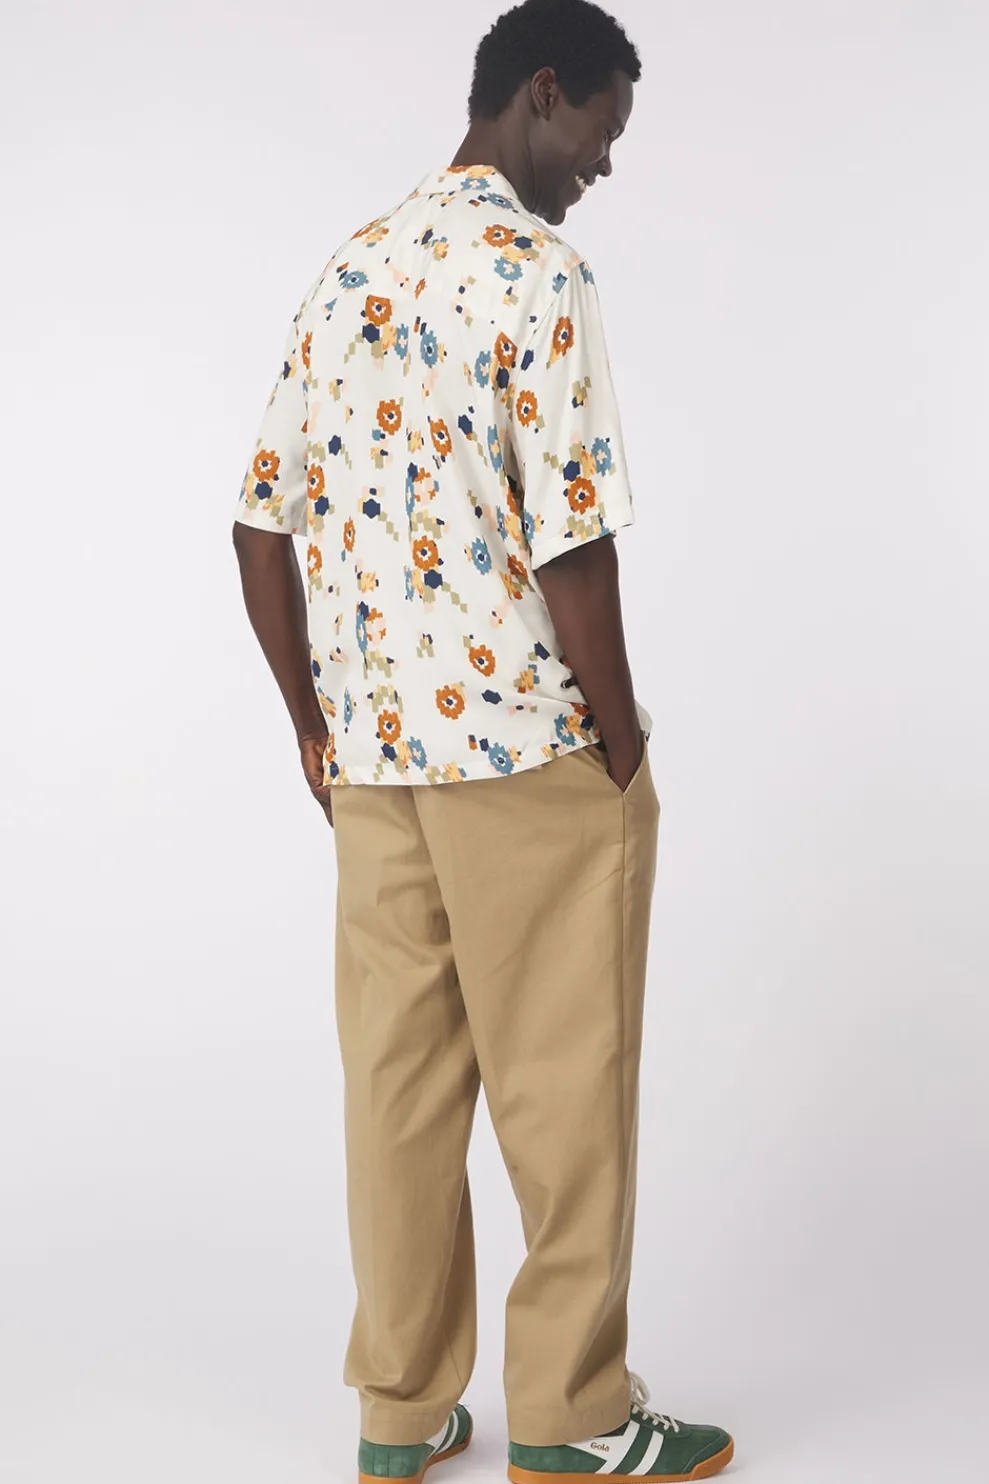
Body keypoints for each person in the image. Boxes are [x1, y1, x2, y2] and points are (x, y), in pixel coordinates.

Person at [232, 1, 734, 1479]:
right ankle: (573, 1420)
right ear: (543, 92)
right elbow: (574, 543)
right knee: (566, 1090)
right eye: (603, 133)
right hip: (527, 757)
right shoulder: (537, 274)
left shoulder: (349, 269)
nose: (604, 166)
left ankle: (399, 1416)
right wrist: (621, 745)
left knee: (396, 1093)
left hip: (378, 768)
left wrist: (315, 732)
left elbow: (257, 525)